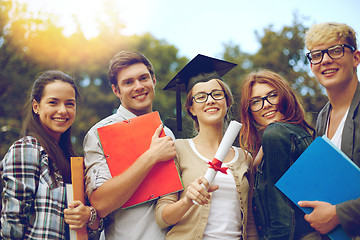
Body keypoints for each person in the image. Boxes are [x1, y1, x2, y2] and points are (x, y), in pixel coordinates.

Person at [155, 54, 258, 240]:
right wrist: (187, 200)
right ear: (191, 109)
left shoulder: (245, 158)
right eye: (200, 97)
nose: (210, 100)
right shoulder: (177, 150)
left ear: (227, 102)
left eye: (217, 94)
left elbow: (249, 223)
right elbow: (162, 217)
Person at [83, 50, 176, 239]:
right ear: (116, 90)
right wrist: (151, 156)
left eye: (144, 78)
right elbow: (100, 203)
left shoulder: (167, 134)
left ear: (154, 80)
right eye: (128, 82)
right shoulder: (100, 133)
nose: (139, 86)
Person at [1, 70, 100, 239]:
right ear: (36, 106)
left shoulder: (71, 160)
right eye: (53, 102)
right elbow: (12, 225)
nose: (63, 111)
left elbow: (95, 225)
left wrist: (88, 215)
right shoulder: (28, 149)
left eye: (70, 104)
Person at [238, 69, 320, 240]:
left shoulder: (276, 133)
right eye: (255, 101)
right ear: (249, 111)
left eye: (272, 95)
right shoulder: (285, 137)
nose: (266, 104)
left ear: (284, 96)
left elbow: (282, 214)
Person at [298, 22, 360, 237]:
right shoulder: (323, 117)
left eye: (335, 50)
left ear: (356, 58)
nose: (325, 60)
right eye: (316, 55)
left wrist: (339, 213)